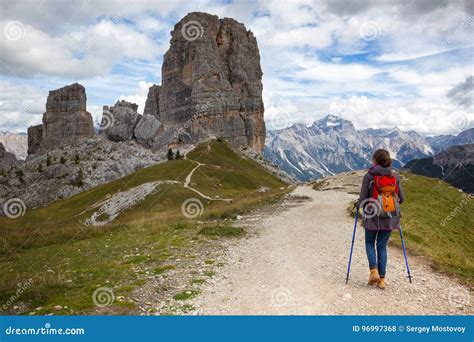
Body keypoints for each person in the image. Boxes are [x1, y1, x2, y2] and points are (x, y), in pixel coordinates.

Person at [356, 149, 405, 289]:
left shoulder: (369, 176)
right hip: (389, 217)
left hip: (372, 216)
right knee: (382, 246)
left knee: (369, 242)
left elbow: (363, 199)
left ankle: (373, 271)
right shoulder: (394, 176)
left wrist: (357, 205)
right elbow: (402, 199)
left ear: (375, 161)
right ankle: (382, 280)